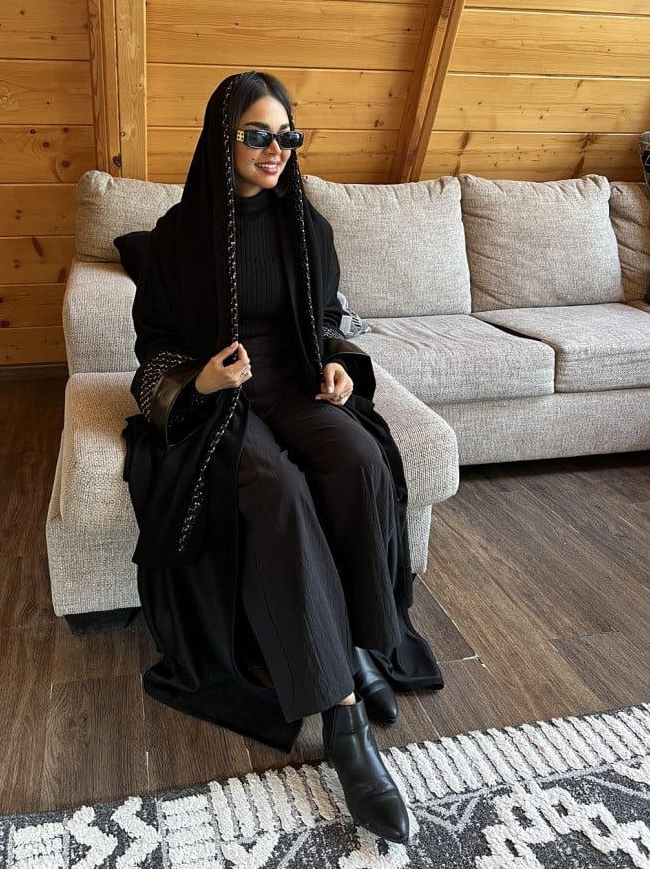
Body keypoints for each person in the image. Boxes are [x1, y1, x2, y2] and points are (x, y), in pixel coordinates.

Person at [115, 72, 443, 844]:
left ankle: (363, 644)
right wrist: (199, 380)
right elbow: (151, 347)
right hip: (223, 400)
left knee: (360, 458)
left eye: (286, 136)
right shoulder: (177, 237)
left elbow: (327, 319)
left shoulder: (307, 227)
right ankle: (344, 722)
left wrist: (336, 364)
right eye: (258, 135)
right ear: (222, 138)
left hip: (294, 384)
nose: (275, 150)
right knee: (278, 488)